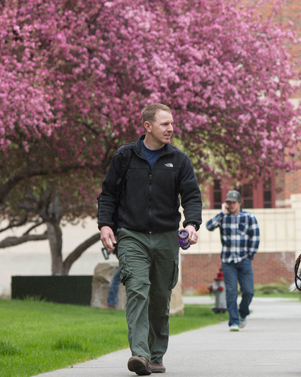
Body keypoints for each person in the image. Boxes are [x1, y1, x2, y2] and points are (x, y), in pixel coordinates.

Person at [98, 103, 202, 376]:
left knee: (159, 297)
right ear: (148, 127)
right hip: (132, 235)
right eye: (165, 124)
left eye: (171, 123)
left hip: (167, 237)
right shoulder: (124, 157)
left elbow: (191, 196)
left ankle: (156, 355)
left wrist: (191, 223)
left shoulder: (178, 160)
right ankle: (140, 354)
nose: (171, 128)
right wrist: (105, 226)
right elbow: (108, 194)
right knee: (137, 290)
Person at [205, 189, 260, 331]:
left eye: (233, 202)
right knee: (231, 292)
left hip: (244, 260)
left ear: (240, 203)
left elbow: (255, 237)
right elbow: (209, 226)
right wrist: (221, 212)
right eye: (228, 203)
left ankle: (243, 313)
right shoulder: (223, 217)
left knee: (248, 291)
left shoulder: (249, 217)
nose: (231, 205)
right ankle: (234, 321)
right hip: (228, 261)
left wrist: (249, 255)